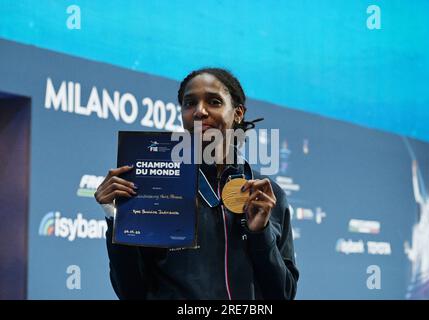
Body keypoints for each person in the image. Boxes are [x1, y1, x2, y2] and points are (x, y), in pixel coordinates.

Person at [94, 67, 299, 300]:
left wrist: (260, 234)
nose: (199, 112)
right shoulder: (156, 186)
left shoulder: (268, 195)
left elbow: (283, 294)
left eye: (214, 101)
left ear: (238, 113)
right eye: (189, 104)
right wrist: (115, 218)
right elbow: (131, 292)